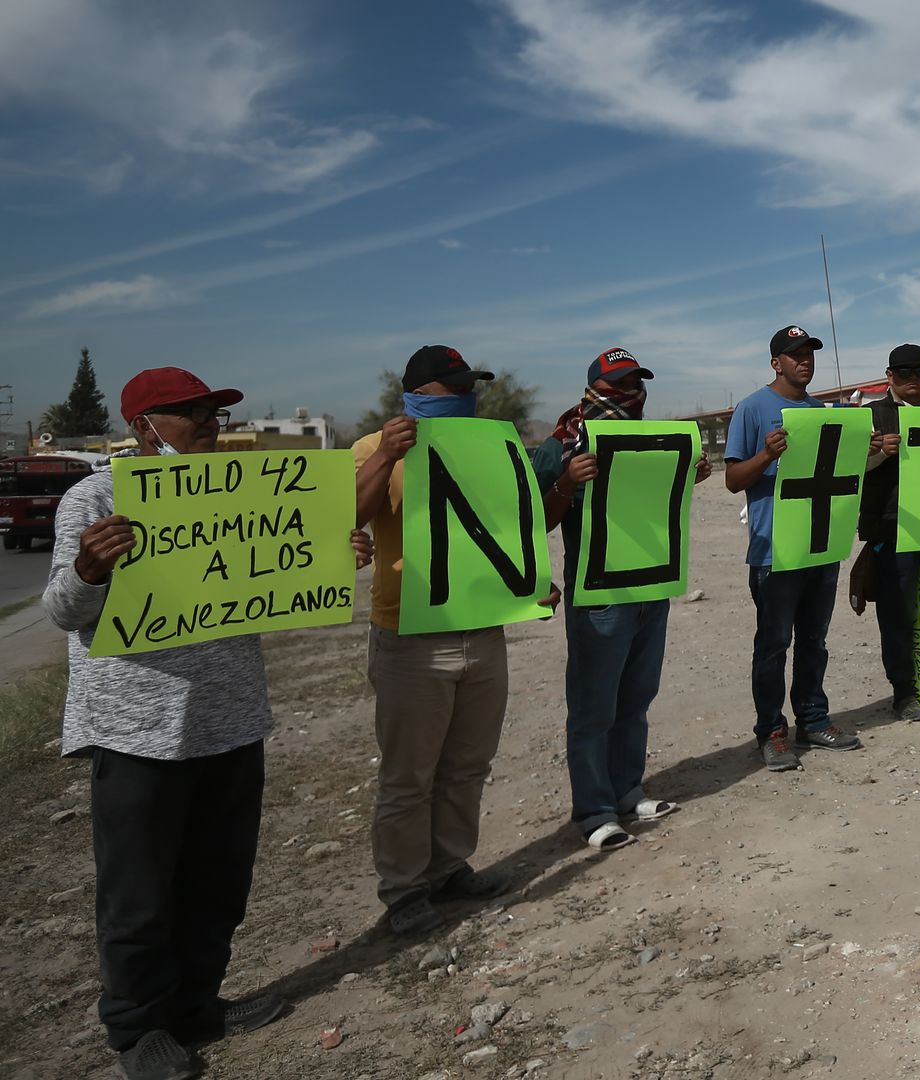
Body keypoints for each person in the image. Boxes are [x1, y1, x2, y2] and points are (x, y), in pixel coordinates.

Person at [45, 367, 367, 1080]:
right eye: (189, 413)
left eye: (213, 413)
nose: (209, 424)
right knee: (139, 892)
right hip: (137, 729)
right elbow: (63, 612)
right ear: (142, 428)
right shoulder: (94, 498)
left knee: (219, 879)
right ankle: (137, 1030)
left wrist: (336, 557)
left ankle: (197, 1002)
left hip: (231, 718)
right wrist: (91, 571)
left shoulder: (249, 490)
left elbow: (281, 581)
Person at [354, 345, 551, 936]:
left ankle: (448, 867)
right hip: (410, 640)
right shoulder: (373, 448)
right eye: (455, 385)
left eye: (473, 386)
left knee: (468, 765)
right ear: (418, 392)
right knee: (408, 775)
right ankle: (404, 890)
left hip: (483, 633)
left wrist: (530, 582)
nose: (468, 396)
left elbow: (499, 528)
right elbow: (343, 516)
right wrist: (389, 454)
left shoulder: (488, 446)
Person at [533, 348, 711, 851]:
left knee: (637, 697)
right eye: (619, 383)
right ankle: (594, 811)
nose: (630, 392)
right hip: (601, 594)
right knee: (594, 705)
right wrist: (567, 484)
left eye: (636, 381)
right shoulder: (560, 445)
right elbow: (537, 522)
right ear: (595, 388)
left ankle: (628, 789)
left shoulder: (652, 440)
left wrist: (688, 474)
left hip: (651, 585)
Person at [725, 325, 866, 770]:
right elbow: (732, 480)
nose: (804, 360)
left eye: (809, 353)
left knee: (814, 641)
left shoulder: (821, 411)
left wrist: (872, 447)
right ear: (776, 362)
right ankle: (770, 731)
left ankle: (813, 718)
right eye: (794, 354)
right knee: (772, 645)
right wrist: (766, 456)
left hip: (819, 544)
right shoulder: (752, 409)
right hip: (776, 552)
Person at [859, 344, 920, 719]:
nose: (912, 380)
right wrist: (876, 454)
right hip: (891, 529)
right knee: (896, 611)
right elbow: (848, 471)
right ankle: (904, 692)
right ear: (889, 376)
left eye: (918, 373)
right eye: (903, 373)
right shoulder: (870, 416)